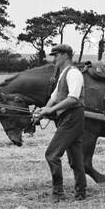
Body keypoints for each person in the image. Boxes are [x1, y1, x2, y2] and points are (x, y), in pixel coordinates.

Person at [32, 44, 88, 200]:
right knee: (75, 158)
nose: (54, 59)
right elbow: (54, 97)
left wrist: (50, 110)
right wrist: (42, 112)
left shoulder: (74, 73)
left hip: (72, 117)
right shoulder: (63, 73)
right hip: (67, 117)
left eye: (56, 55)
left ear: (66, 56)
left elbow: (73, 98)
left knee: (52, 155)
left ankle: (58, 193)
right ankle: (81, 192)